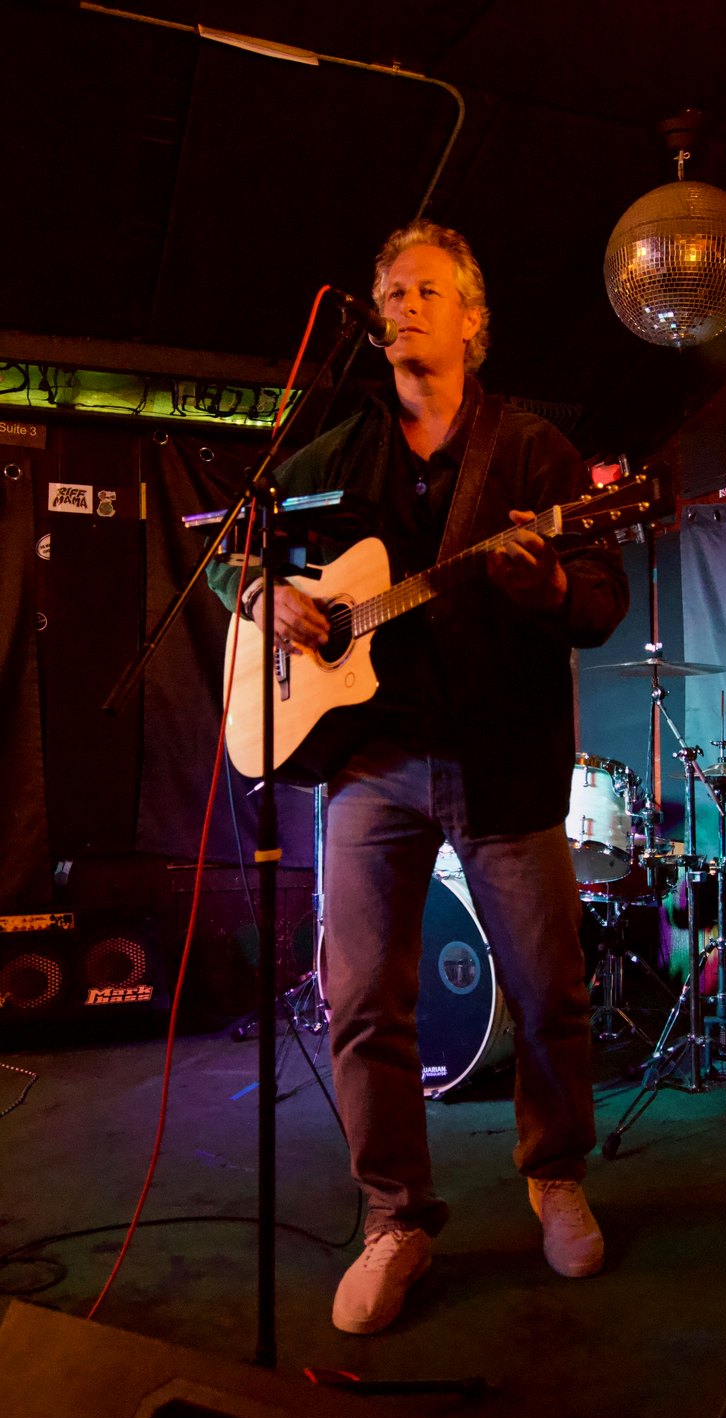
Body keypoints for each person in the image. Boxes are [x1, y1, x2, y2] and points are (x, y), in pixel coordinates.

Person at [209, 220, 629, 1334]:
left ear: (470, 319)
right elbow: (230, 554)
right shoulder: (335, 447)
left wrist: (544, 592)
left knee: (551, 995)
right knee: (363, 1003)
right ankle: (394, 1215)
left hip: (503, 758)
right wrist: (264, 599)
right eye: (388, 289)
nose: (398, 304)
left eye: (424, 290)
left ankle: (555, 1176)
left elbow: (599, 598)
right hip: (369, 763)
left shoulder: (535, 453)